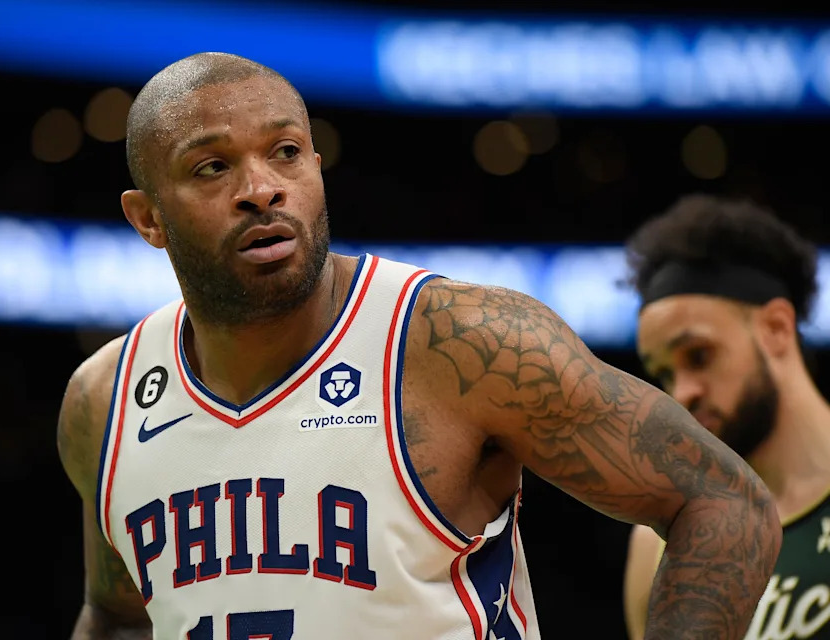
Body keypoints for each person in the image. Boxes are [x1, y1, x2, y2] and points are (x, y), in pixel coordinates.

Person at [56, 52, 781, 640]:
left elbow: (725, 503)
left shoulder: (459, 342)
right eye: (211, 167)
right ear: (148, 219)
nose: (261, 189)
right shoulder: (105, 400)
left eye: (285, 153)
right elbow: (122, 619)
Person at [621, 194, 830, 640]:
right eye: (662, 374)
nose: (681, 395)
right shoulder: (658, 545)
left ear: (776, 328)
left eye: (698, 355)